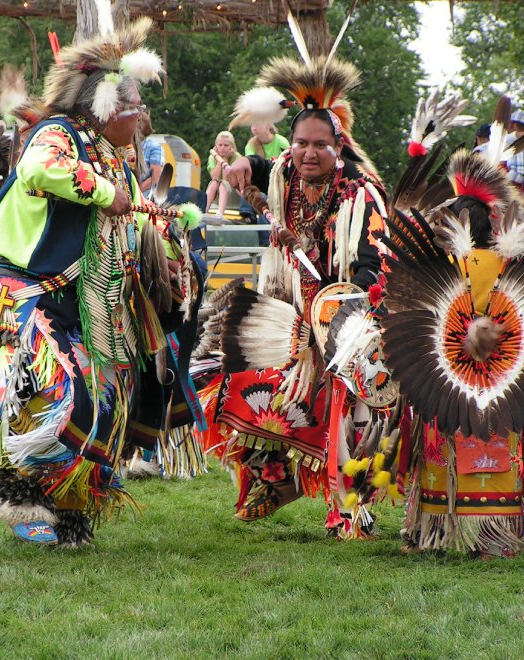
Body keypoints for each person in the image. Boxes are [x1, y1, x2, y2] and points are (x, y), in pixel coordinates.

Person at [0, 18, 180, 548]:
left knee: (98, 403)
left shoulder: (115, 159)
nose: (141, 118)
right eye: (134, 107)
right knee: (51, 395)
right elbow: (39, 172)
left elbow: (129, 218)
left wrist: (163, 238)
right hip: (20, 292)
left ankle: (71, 514)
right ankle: (19, 494)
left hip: (79, 303)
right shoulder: (57, 136)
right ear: (105, 107)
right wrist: (102, 191)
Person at [195, 49, 391, 539]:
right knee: (251, 384)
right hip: (290, 309)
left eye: (319, 145)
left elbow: (374, 267)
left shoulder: (362, 196)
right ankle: (274, 479)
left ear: (339, 145)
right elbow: (255, 166)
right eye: (301, 142)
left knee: (349, 409)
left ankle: (352, 506)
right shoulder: (283, 173)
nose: (307, 153)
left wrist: (342, 318)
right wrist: (241, 164)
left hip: (350, 321)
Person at [378, 134, 524, 557]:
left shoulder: (440, 270)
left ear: (455, 227)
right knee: (498, 444)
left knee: (445, 437)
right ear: (491, 226)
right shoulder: (508, 266)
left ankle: (436, 532)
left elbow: (400, 319)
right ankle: (496, 536)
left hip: (445, 382)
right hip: (508, 386)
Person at [204, 130, 240, 217]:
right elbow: (215, 177)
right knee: (214, 183)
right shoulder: (212, 157)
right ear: (216, 146)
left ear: (232, 147)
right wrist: (219, 159)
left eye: (226, 145)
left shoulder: (238, 158)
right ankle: (204, 211)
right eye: (220, 145)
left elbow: (226, 180)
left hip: (234, 194)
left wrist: (225, 159)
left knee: (223, 184)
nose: (222, 148)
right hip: (219, 196)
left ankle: (220, 214)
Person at [137, 111, 164, 195]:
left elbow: (155, 178)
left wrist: (136, 192)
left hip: (146, 196)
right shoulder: (126, 146)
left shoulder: (154, 147)